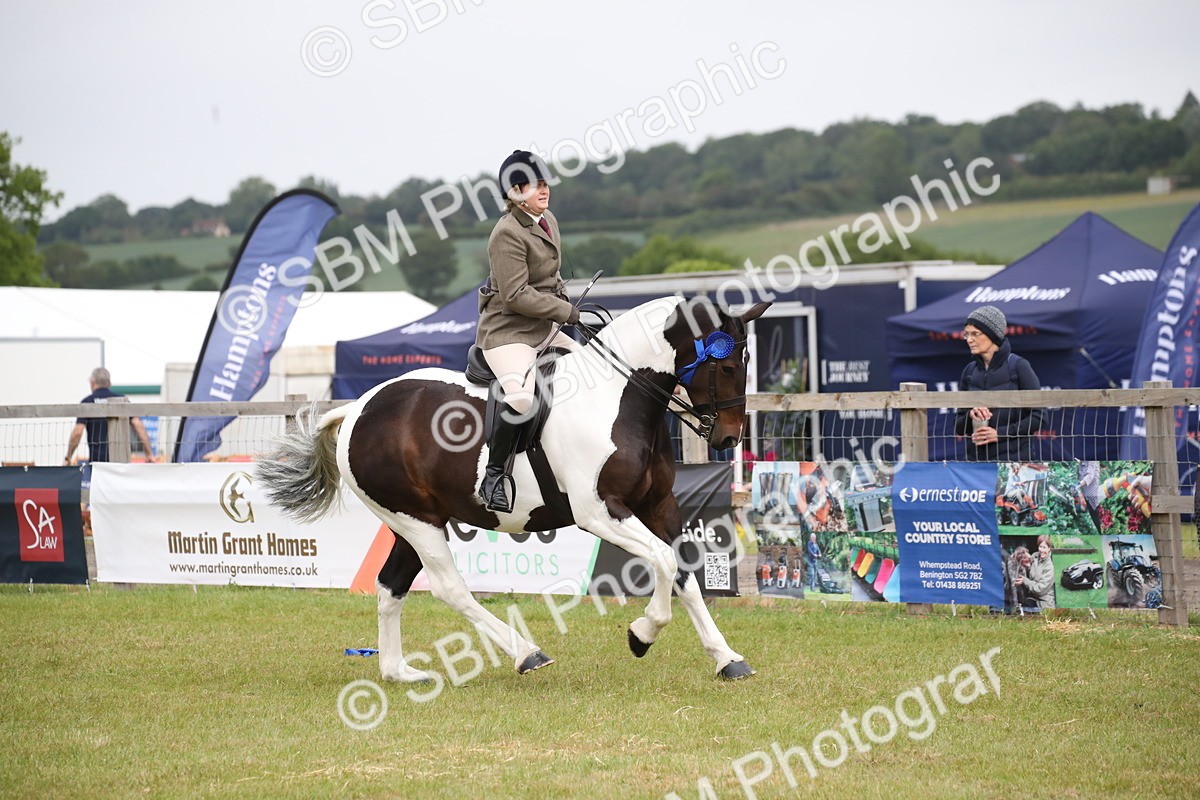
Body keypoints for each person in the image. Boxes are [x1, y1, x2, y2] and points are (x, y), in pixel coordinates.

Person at [475, 149, 582, 512]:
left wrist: (567, 301)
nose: (544, 189)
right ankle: (493, 477)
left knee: (591, 370)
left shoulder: (547, 218)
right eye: (535, 184)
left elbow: (551, 278)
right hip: (508, 332)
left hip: (543, 328)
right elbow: (517, 295)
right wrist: (565, 312)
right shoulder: (505, 234)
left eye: (544, 182)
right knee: (521, 399)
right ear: (515, 192)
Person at [953, 305, 1043, 461]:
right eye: (966, 334)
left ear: (993, 335)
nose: (969, 340)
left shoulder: (1019, 366)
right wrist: (970, 416)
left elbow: (1039, 417)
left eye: (975, 333)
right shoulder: (968, 371)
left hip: (1015, 463)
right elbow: (958, 427)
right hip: (976, 465)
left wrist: (999, 434)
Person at [64, 367, 156, 465]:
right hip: (121, 462)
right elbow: (138, 426)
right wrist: (149, 453)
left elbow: (77, 432)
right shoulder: (122, 400)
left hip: (97, 463)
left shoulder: (87, 402)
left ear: (92, 382)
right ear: (109, 383)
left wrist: (68, 457)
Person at [1014, 534, 1056, 609]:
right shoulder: (1035, 556)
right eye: (1040, 546)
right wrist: (1028, 567)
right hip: (1033, 596)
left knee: (1023, 605)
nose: (1041, 550)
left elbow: (1040, 589)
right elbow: (1033, 573)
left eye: (1044, 547)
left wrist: (1025, 580)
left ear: (1049, 548)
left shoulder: (1050, 567)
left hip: (1043, 602)